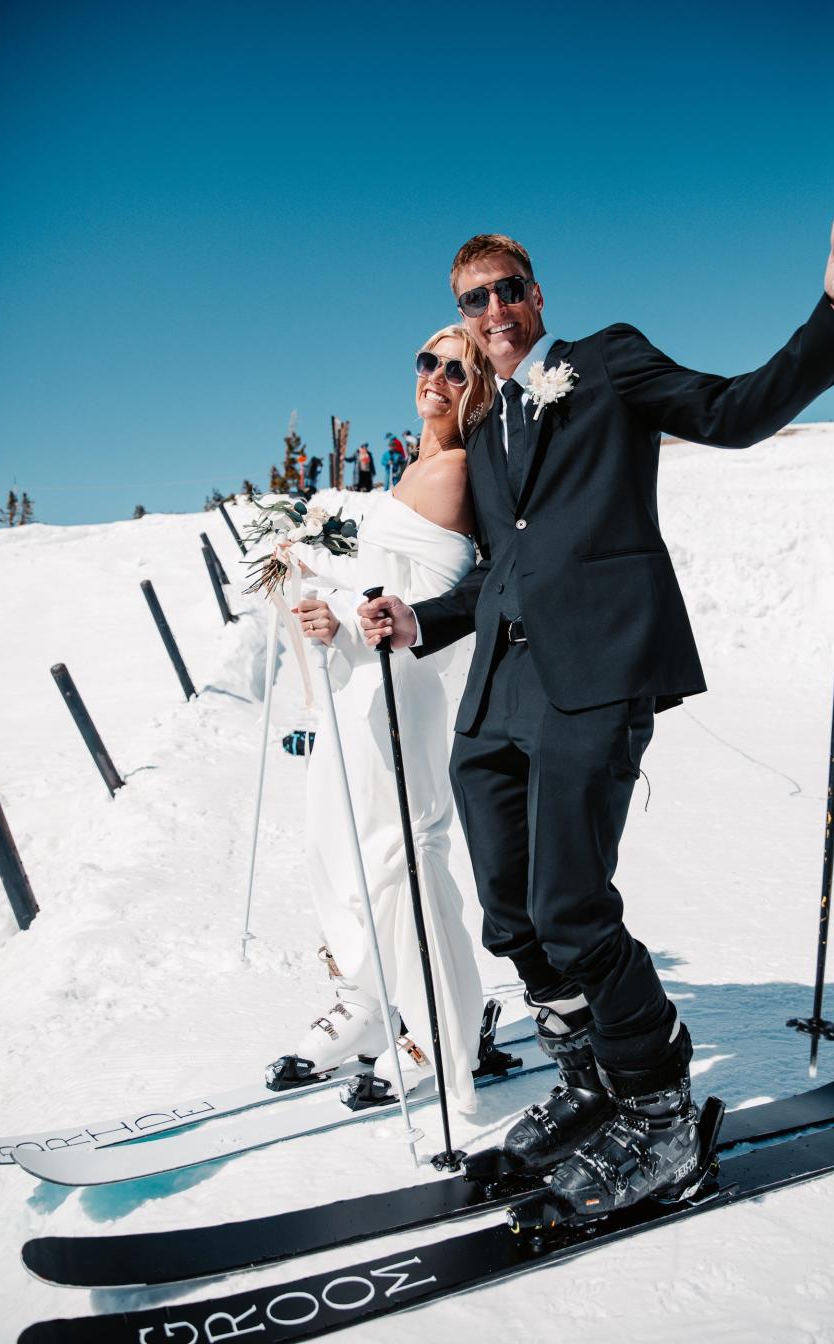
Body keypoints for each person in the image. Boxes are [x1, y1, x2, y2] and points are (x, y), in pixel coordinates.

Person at [359, 220, 834, 1218]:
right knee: (509, 916)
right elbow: (500, 575)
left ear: (537, 294)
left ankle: (656, 1113)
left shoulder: (605, 361)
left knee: (570, 905)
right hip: (497, 696)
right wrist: (414, 621)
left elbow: (731, 411)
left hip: (597, 672)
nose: (492, 313)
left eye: (506, 289)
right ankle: (590, 1076)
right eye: (473, 300)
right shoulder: (485, 431)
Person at [279, 324, 496, 1110]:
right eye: (426, 360)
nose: (436, 375)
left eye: (457, 368)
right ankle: (369, 1002)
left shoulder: (455, 472)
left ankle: (445, 1031)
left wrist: (313, 557)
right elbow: (373, 574)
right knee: (333, 846)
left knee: (397, 859)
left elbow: (412, 584)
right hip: (357, 683)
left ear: (481, 386)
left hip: (401, 686)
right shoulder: (418, 466)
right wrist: (330, 614)